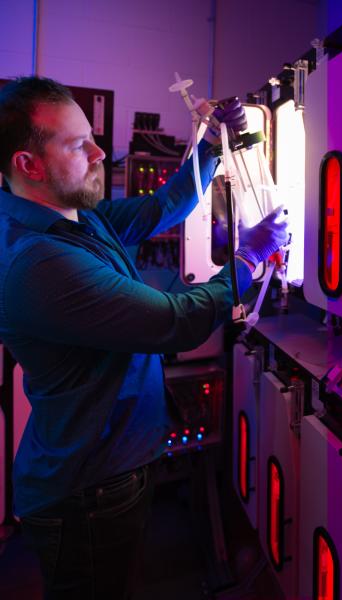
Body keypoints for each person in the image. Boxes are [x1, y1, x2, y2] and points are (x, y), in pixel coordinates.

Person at [0, 76, 287, 599]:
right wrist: (248, 259)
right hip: (87, 489)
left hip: (107, 470)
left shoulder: (76, 216)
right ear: (28, 164)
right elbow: (174, 321)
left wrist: (210, 144)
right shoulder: (39, 259)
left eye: (90, 135)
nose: (98, 151)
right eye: (77, 144)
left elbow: (162, 209)